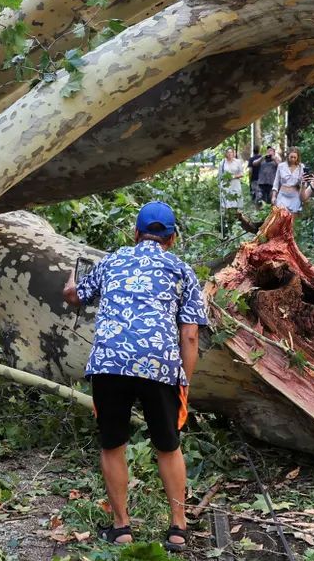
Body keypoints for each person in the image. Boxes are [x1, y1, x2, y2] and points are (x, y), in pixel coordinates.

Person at [63, 201, 208, 551]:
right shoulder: (182, 270)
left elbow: (74, 297)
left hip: (110, 364)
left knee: (113, 444)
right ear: (172, 238)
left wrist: (70, 283)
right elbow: (189, 335)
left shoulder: (111, 261)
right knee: (168, 446)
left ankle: (121, 526)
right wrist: (183, 382)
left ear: (135, 233)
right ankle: (177, 527)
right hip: (159, 366)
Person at [218, 148, 247, 230]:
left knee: (235, 203)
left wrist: (233, 177)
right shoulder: (222, 163)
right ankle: (227, 223)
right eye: (228, 152)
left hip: (235, 184)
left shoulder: (237, 162)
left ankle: (237, 223)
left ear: (234, 153)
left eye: (231, 152)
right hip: (226, 185)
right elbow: (220, 175)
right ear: (226, 154)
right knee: (227, 204)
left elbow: (242, 173)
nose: (230, 154)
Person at [274, 148, 305, 213]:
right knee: (280, 216)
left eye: (295, 157)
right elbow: (276, 182)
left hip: (294, 196)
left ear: (297, 157)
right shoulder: (281, 166)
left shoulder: (301, 167)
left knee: (292, 219)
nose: (293, 159)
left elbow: (303, 183)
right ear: (288, 156)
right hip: (282, 196)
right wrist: (273, 196)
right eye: (291, 157)